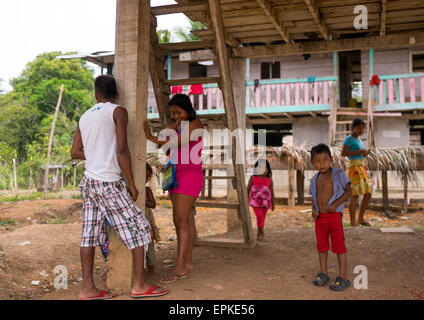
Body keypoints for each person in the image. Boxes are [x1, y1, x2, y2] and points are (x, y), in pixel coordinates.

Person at [71, 75, 168, 300]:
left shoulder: (84, 117)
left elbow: (75, 152)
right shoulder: (118, 111)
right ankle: (139, 285)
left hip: (89, 183)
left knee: (88, 235)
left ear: (96, 95)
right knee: (141, 227)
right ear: (115, 94)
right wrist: (132, 184)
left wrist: (94, 155)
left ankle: (87, 288)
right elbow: (122, 149)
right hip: (108, 182)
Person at [143, 94, 204, 284]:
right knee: (182, 221)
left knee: (180, 219)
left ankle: (180, 267)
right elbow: (167, 146)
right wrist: (170, 128)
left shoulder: (196, 124)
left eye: (179, 112)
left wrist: (150, 136)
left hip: (190, 176)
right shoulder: (179, 126)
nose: (176, 116)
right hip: (176, 175)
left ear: (188, 109)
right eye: (173, 113)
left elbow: (176, 143)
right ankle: (186, 262)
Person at [309, 144, 352, 291]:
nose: (322, 164)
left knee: (339, 247)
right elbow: (313, 198)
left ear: (330, 159)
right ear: (313, 162)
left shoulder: (338, 174)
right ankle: (324, 273)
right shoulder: (314, 179)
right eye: (318, 161)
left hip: (333, 217)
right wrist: (313, 209)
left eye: (325, 160)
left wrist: (336, 204)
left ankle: (343, 277)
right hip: (320, 219)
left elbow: (348, 191)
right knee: (322, 247)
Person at [341, 118, 372, 227]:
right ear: (352, 128)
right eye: (358, 127)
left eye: (362, 128)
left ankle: (361, 219)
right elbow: (343, 153)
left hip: (361, 167)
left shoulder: (359, 139)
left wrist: (364, 153)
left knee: (368, 192)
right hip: (353, 168)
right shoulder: (348, 139)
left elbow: (359, 154)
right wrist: (359, 152)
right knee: (354, 195)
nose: (361, 130)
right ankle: (353, 222)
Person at [247, 159, 275, 241]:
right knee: (259, 216)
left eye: (264, 168)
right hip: (255, 202)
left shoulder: (269, 180)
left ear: (267, 170)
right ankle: (262, 232)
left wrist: (273, 204)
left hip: (265, 203)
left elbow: (272, 193)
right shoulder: (253, 178)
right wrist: (245, 201)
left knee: (262, 217)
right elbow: (247, 189)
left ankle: (259, 233)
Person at [145, 163, 161, 274]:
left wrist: (142, 200)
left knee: (149, 244)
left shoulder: (147, 190)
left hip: (146, 219)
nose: (144, 180)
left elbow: (153, 204)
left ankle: (151, 267)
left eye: (146, 178)